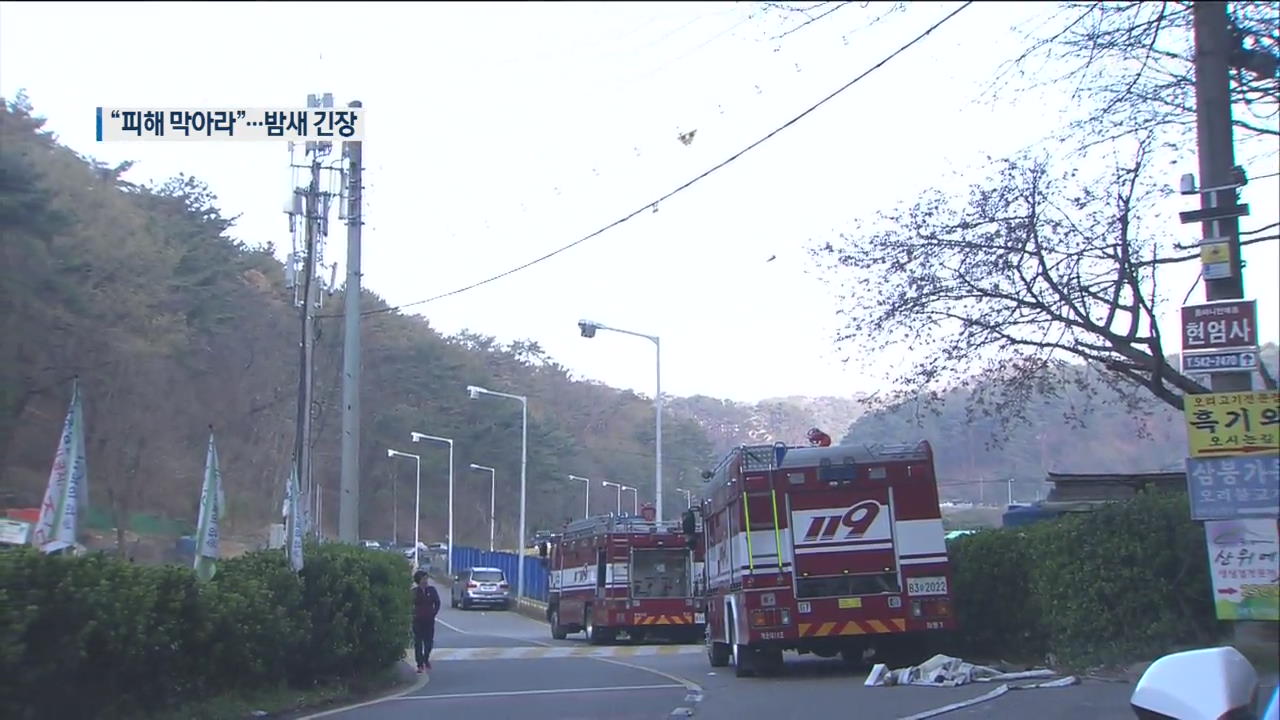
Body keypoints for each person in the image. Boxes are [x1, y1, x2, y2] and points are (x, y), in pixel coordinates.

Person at [412, 570, 440, 673]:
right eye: (423, 578)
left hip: (429, 620)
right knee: (418, 643)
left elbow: (437, 602)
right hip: (418, 620)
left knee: (429, 642)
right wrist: (414, 614)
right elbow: (410, 604)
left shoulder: (432, 590)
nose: (426, 580)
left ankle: (425, 658)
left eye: (426, 578)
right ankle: (419, 664)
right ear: (419, 580)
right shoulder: (414, 592)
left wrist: (434, 612)